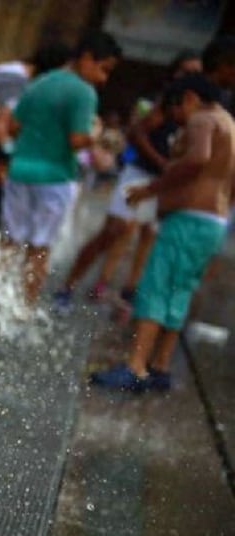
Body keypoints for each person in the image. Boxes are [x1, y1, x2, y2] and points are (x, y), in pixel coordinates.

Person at [91, 73, 235, 392]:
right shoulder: (228, 123)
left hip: (187, 219)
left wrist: (151, 189)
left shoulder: (202, 119)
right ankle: (160, 366)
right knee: (179, 290)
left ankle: (135, 367)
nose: (177, 120)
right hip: (212, 221)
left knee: (156, 287)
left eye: (175, 112)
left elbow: (197, 159)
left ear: (188, 98)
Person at [53, 50, 203, 310]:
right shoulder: (167, 103)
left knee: (149, 235)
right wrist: (161, 162)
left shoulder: (203, 110)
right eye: (186, 71)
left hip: (166, 182)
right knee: (115, 230)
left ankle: (127, 290)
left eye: (195, 73)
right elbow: (137, 132)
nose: (190, 77)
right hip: (142, 174)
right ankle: (69, 285)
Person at [1, 31, 122, 303]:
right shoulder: (83, 92)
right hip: (54, 179)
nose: (104, 78)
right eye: (103, 69)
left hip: (19, 172)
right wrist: (96, 132)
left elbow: (13, 126)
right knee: (38, 249)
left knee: (8, 244)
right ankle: (24, 311)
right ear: (87, 58)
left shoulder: (41, 82)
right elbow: (77, 140)